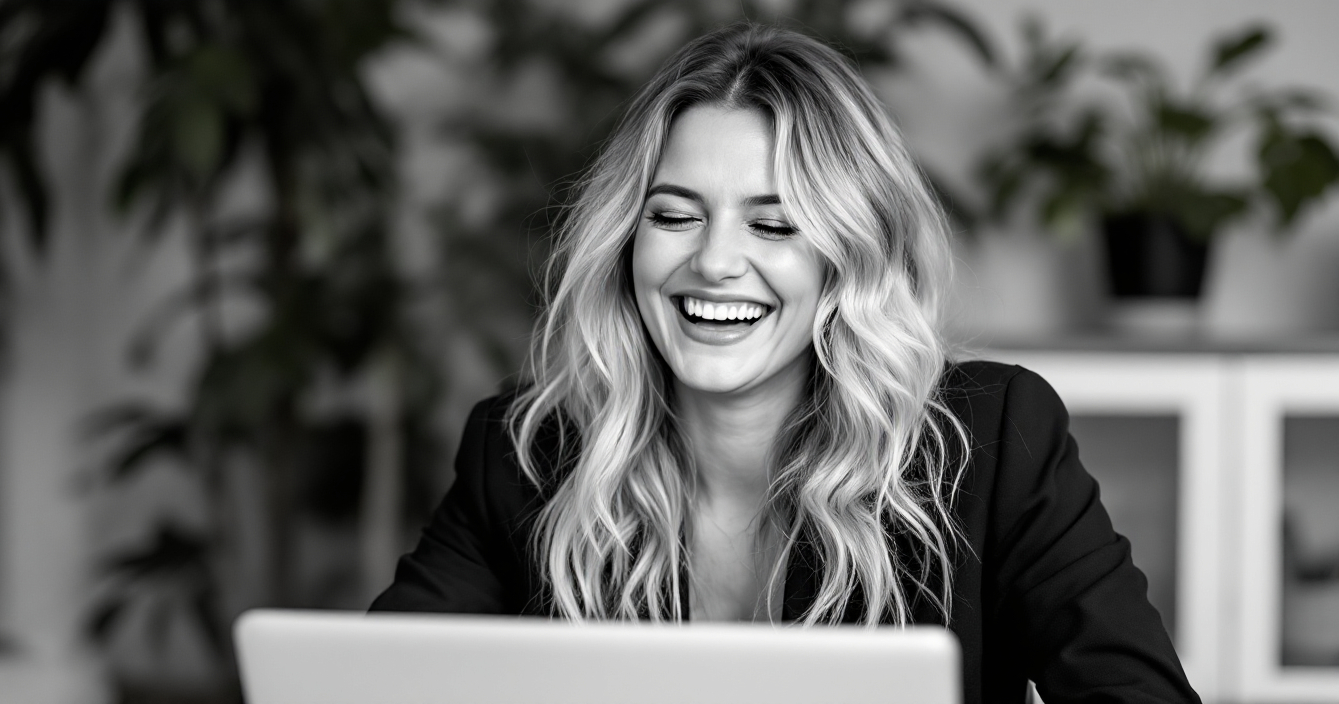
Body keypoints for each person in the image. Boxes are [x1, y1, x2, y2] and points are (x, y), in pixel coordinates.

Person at [371, 22, 1200, 704]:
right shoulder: (527, 453)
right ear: (628, 241)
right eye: (674, 216)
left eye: (774, 225)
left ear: (848, 256)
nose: (715, 261)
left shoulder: (992, 440)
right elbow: (377, 686)